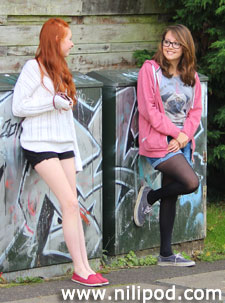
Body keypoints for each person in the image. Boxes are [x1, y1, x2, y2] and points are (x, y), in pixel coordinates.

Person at [12, 18, 108, 287]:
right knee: (68, 202)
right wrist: (51, 101)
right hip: (39, 145)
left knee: (73, 204)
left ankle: (86, 267)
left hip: (64, 144)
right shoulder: (33, 68)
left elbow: (65, 118)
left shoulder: (61, 69)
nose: (72, 43)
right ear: (55, 40)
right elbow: (18, 107)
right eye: (68, 38)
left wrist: (75, 153)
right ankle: (79, 269)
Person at [134, 24, 202, 266]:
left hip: (181, 143)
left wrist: (185, 136)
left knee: (172, 196)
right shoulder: (149, 70)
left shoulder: (191, 76)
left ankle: (165, 254)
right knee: (190, 182)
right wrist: (177, 134)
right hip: (159, 142)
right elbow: (148, 111)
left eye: (175, 43)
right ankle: (150, 196)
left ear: (185, 48)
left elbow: (195, 111)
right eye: (167, 42)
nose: (170, 47)